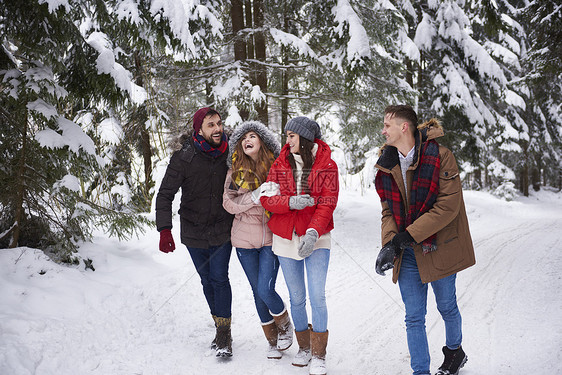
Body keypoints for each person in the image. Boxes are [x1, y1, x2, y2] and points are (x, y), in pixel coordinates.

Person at [374, 105, 476, 375]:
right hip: (407, 252)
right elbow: (388, 211)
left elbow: (447, 207)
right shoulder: (387, 164)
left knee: (446, 306)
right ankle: (421, 371)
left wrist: (405, 238)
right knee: (414, 317)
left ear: (403, 127)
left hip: (438, 245)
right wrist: (390, 243)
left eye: (387, 125)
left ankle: (455, 352)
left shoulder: (442, 157)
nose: (383, 131)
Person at [261, 116, 338, 375]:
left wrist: (314, 231)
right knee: (296, 297)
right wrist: (290, 203)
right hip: (286, 238)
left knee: (317, 295)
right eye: (286, 136)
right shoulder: (280, 163)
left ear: (304, 138)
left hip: (317, 237)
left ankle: (319, 354)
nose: (287, 140)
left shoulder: (327, 165)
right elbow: (267, 200)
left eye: (292, 135)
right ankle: (304, 348)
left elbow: (328, 202)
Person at [155, 107, 235, 358]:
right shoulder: (184, 156)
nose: (217, 129)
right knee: (206, 280)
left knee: (220, 278)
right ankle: (219, 323)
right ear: (199, 129)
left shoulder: (231, 152)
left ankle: (224, 333)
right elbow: (165, 194)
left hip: (223, 227)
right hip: (194, 229)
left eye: (219, 123)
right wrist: (164, 230)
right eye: (211, 125)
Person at [222, 120, 294, 360]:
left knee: (265, 287)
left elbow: (288, 198)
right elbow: (228, 203)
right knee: (256, 290)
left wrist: (277, 197)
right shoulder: (234, 171)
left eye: (252, 136)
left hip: (270, 238)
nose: (247, 140)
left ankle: (285, 325)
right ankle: (272, 341)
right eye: (243, 138)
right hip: (243, 241)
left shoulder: (276, 167)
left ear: (262, 141)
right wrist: (254, 196)